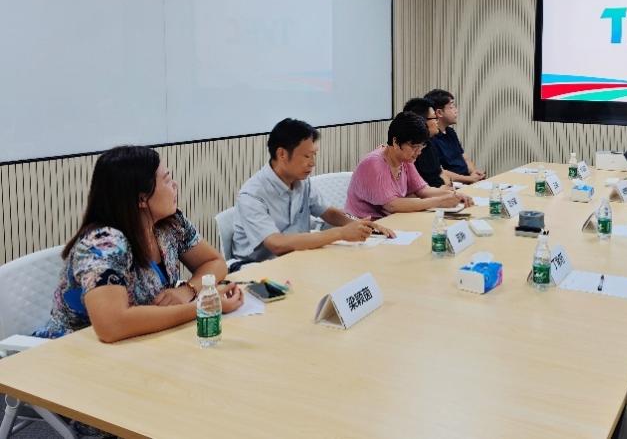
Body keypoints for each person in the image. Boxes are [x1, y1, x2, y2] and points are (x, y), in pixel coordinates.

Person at [36, 146, 243, 343]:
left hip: (143, 340)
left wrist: (188, 291)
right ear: (142, 199)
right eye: (167, 180)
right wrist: (204, 306)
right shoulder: (104, 244)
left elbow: (214, 262)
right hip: (73, 350)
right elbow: (112, 326)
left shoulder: (170, 224)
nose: (175, 185)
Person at [232, 118, 393, 265]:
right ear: (282, 154)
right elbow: (277, 244)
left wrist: (359, 224)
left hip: (297, 258)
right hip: (257, 268)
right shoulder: (252, 195)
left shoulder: (302, 182)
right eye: (307, 156)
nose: (312, 163)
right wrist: (340, 233)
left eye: (314, 155)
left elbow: (329, 213)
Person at [346, 111, 472, 218]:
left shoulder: (405, 159)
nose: (418, 152)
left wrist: (453, 195)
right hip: (363, 225)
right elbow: (392, 205)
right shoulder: (374, 163)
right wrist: (439, 201)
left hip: (390, 221)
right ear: (396, 142)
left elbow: (423, 190)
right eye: (414, 147)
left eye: (421, 146)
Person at [425, 88, 485, 184]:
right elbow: (440, 171)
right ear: (439, 113)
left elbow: (464, 157)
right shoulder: (430, 139)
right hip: (452, 184)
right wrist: (470, 179)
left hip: (467, 180)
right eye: (452, 107)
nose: (456, 110)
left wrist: (474, 173)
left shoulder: (450, 132)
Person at [403, 96, 448, 188]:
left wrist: (447, 186)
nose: (437, 121)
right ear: (422, 121)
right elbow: (415, 190)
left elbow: (439, 172)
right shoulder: (407, 151)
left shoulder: (429, 143)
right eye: (434, 118)